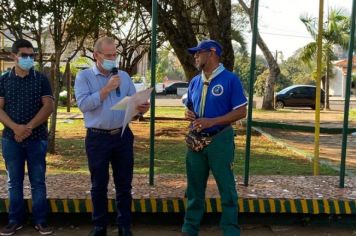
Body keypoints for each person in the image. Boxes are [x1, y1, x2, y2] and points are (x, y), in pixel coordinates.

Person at [74, 36, 149, 236]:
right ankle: (99, 226)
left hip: (122, 136)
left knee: (124, 183)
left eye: (115, 54)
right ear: (96, 55)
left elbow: (132, 104)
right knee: (99, 184)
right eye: (108, 55)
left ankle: (124, 226)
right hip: (97, 138)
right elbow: (83, 105)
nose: (113, 58)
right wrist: (106, 89)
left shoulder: (123, 76)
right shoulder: (84, 77)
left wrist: (141, 108)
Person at [181, 39, 247, 236]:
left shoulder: (230, 79)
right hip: (196, 140)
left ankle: (230, 230)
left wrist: (213, 121)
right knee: (194, 188)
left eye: (198, 52)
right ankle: (190, 228)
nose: (195, 56)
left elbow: (241, 111)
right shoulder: (195, 81)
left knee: (226, 188)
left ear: (212, 53)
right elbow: (190, 105)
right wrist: (189, 113)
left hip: (220, 140)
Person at [0, 39, 54, 235]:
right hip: (10, 139)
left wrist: (28, 127)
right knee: (14, 181)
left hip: (37, 138)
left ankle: (41, 220)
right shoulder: (4, 80)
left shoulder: (41, 79)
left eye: (32, 56)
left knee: (38, 181)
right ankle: (15, 220)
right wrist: (15, 128)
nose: (29, 59)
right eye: (25, 56)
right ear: (14, 56)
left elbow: (48, 106)